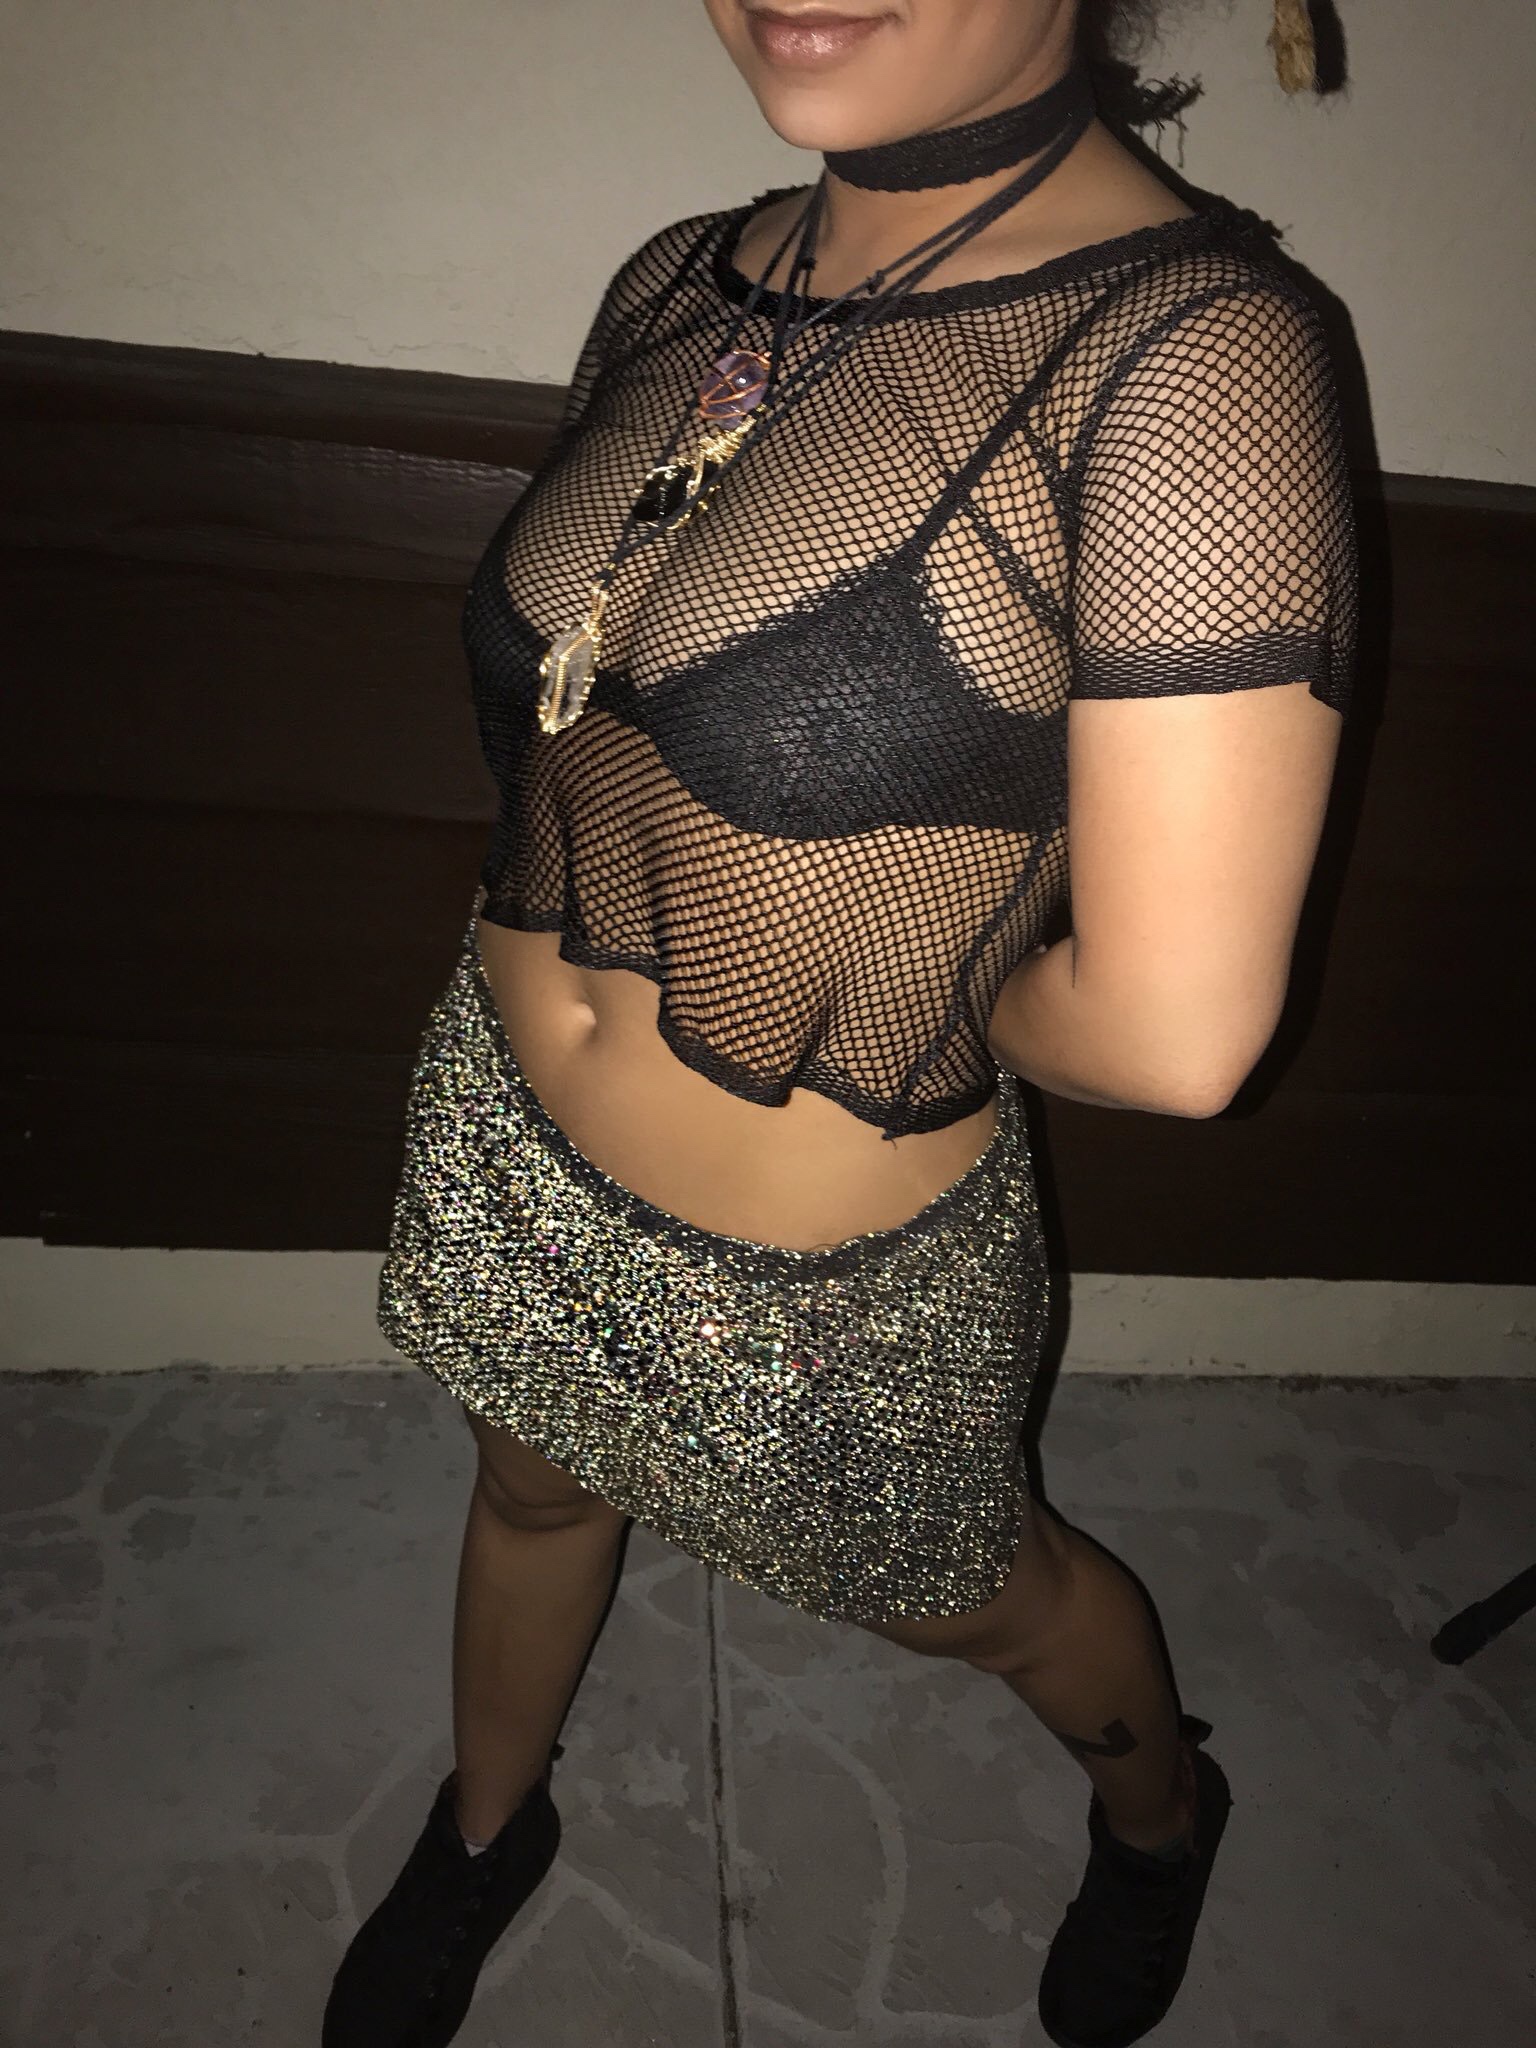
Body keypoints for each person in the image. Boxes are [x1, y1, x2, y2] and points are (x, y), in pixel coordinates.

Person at [323, 2, 1356, 2044]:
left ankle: (1161, 1813)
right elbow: (585, 699)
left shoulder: (1194, 353)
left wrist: (911, 973)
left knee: (987, 1599)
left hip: (819, 1287)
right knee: (531, 1490)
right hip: (501, 1113)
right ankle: (485, 1831)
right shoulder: (684, 275)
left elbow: (1181, 1035)